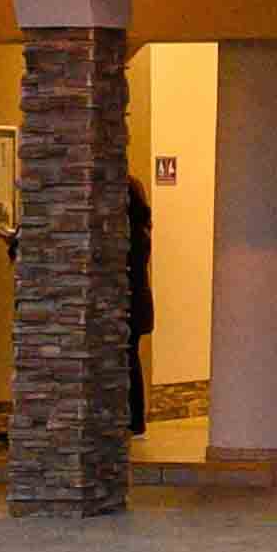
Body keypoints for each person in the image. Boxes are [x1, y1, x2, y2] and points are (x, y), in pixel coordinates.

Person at [124, 174, 156, 435]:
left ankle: (134, 419)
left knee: (127, 358)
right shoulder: (142, 231)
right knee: (129, 357)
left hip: (129, 302)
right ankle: (134, 419)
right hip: (137, 302)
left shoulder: (132, 236)